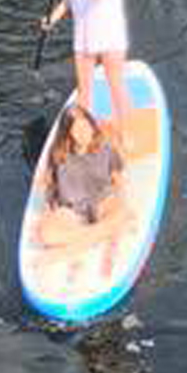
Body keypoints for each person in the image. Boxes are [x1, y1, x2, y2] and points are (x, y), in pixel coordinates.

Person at [40, 0, 131, 150]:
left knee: (116, 86)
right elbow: (69, 1)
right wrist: (52, 19)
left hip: (110, 35)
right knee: (84, 91)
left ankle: (126, 135)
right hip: (84, 37)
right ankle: (83, 139)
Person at [33, 106, 133, 269]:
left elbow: (118, 181)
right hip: (71, 209)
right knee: (46, 235)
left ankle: (66, 252)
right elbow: (50, 187)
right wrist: (47, 214)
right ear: (68, 133)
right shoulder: (58, 154)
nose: (84, 133)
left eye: (86, 126)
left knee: (121, 214)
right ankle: (99, 234)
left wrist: (122, 203)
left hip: (102, 200)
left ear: (92, 125)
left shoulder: (105, 147)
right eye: (77, 129)